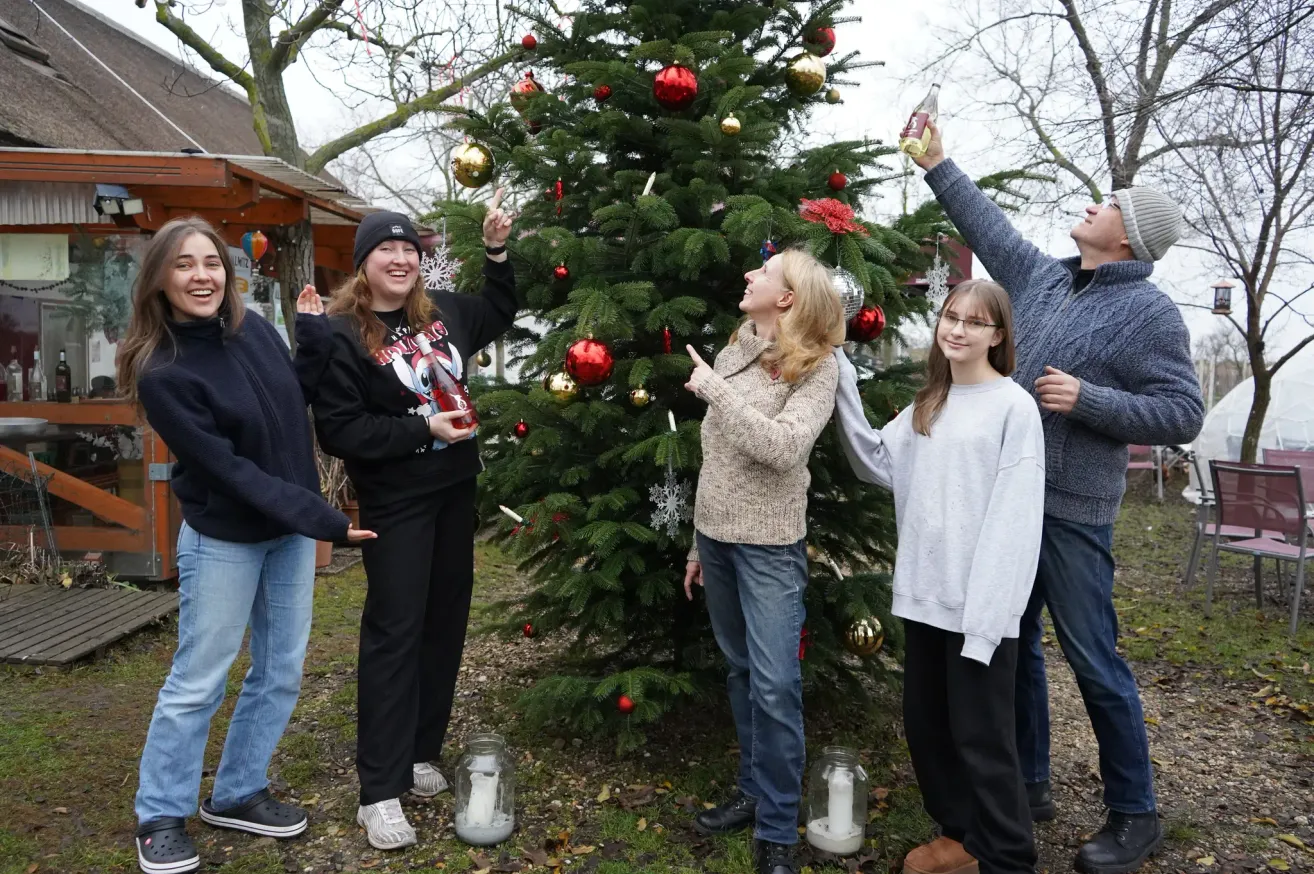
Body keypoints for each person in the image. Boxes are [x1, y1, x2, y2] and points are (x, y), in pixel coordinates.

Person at [912, 121, 1205, 874]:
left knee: (1093, 659)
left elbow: (1183, 414)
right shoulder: (1041, 277)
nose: (1093, 205)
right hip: (1001, 506)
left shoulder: (1150, 314)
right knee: (1013, 651)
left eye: (1109, 204)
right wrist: (938, 163)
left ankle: (1135, 812)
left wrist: (1090, 400)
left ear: (1128, 236)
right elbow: (987, 226)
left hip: (1070, 513)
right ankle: (1030, 782)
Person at [119, 216, 375, 874]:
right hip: (225, 539)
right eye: (184, 265)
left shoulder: (253, 329)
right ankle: (160, 814)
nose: (201, 276)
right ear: (160, 279)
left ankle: (237, 791)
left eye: (211, 262)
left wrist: (311, 336)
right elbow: (230, 470)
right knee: (198, 680)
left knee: (281, 670)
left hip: (286, 532)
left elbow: (293, 398)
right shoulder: (163, 372)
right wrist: (323, 518)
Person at [309, 193, 516, 850]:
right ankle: (378, 790)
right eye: (385, 249)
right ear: (363, 263)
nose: (400, 259)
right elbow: (342, 430)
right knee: (395, 634)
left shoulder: (443, 312)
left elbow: (501, 309)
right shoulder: (341, 335)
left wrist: (496, 252)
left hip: (455, 490)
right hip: (396, 502)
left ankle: (421, 750)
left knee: (444, 623)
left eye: (408, 249)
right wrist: (423, 428)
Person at [834, 279, 1044, 874]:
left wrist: (986, 620)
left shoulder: (1013, 408)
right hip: (923, 599)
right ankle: (960, 838)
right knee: (928, 729)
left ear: (997, 336)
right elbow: (878, 462)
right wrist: (840, 374)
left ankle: (1009, 857)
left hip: (979, 608)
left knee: (983, 739)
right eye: (951, 317)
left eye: (975, 322)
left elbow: (1015, 522)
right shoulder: (931, 401)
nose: (957, 329)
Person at [681, 249, 844, 874]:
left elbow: (784, 448)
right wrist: (698, 545)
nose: (749, 275)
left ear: (788, 298)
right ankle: (752, 792)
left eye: (764, 273)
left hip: (770, 547)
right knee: (742, 671)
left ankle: (777, 828)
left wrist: (716, 392)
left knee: (775, 685)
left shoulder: (818, 366)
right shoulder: (734, 350)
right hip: (716, 540)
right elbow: (718, 457)